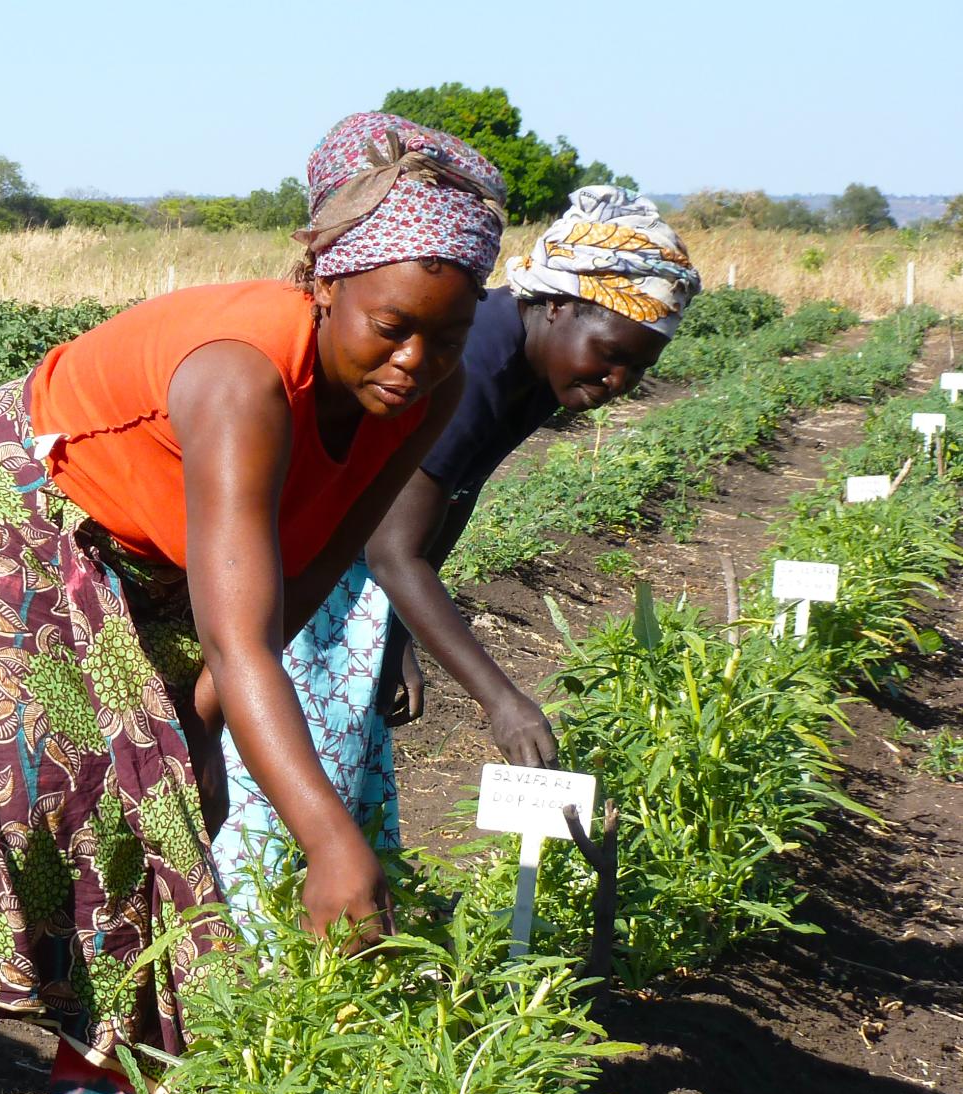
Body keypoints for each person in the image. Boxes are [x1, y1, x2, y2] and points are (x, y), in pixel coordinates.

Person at [0, 112, 505, 1094]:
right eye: (392, 329)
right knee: (9, 805)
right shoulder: (239, 379)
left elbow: (312, 560)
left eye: (448, 338)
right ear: (322, 281)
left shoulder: (432, 393)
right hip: (13, 513)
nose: (416, 362)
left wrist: (207, 712)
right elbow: (241, 633)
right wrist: (329, 839)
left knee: (162, 803)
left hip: (160, 552)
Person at [211, 188, 701, 900]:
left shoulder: (540, 367)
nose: (618, 380)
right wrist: (501, 700)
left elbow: (441, 503)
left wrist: (399, 637)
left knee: (337, 768)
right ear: (558, 304)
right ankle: (246, 950)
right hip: (300, 566)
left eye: (639, 368)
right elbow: (392, 547)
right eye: (611, 354)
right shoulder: (478, 360)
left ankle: (316, 944)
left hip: (339, 567)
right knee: (280, 782)